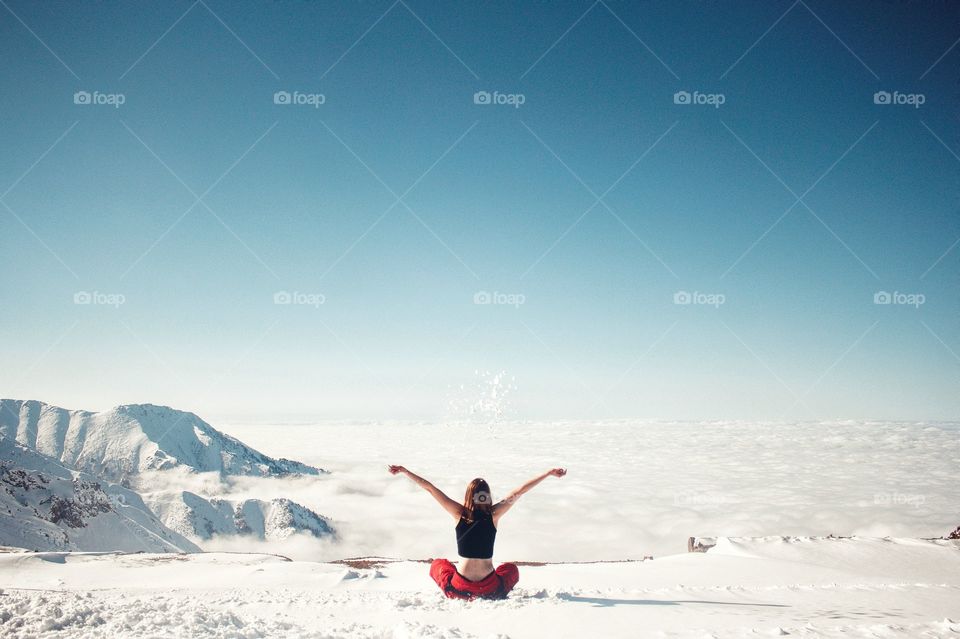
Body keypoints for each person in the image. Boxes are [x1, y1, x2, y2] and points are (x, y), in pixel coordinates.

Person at [388, 465, 567, 600]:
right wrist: (548, 473)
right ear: (487, 495)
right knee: (510, 569)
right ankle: (483, 592)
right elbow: (520, 491)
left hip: (459, 587)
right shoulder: (494, 515)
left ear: (468, 495)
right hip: (490, 588)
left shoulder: (458, 513)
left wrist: (405, 471)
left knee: (438, 564)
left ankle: (462, 593)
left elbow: (431, 488)